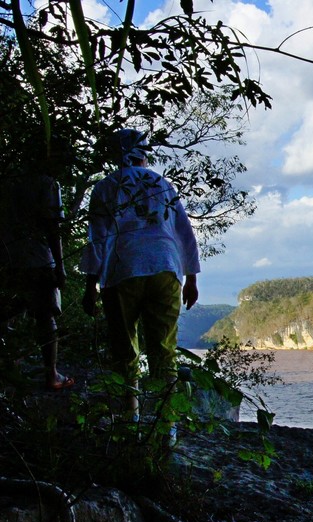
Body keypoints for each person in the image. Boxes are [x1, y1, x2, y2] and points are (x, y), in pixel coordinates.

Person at [81, 129, 200, 419]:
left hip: (123, 270)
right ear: (143, 154)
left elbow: (98, 238)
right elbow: (183, 230)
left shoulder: (105, 187)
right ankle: (165, 424)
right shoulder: (162, 184)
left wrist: (90, 285)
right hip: (166, 267)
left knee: (125, 349)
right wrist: (192, 278)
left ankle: (130, 418)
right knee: (164, 349)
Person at [0, 138, 74, 390]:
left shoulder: (9, 181)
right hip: (38, 258)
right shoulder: (47, 184)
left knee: (11, 309)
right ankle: (51, 374)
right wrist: (60, 266)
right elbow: (52, 228)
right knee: (46, 314)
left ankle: (10, 364)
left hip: (9, 257)